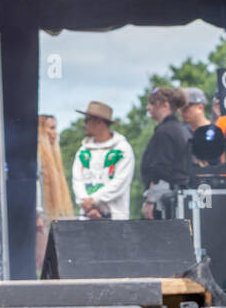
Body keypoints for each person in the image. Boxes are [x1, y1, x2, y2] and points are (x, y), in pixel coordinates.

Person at [70, 101, 135, 221]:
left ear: (99, 121)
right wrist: (87, 205)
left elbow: (120, 181)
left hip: (114, 217)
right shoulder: (83, 150)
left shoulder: (122, 149)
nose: (84, 125)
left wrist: (94, 200)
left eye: (86, 120)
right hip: (87, 216)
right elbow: (77, 180)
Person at [140, 87, 191, 219]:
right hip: (178, 198)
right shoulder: (182, 131)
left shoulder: (164, 133)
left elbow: (159, 171)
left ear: (165, 105)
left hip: (165, 202)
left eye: (152, 103)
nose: (148, 107)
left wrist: (151, 201)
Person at [36, 114, 74, 273]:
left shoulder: (54, 158)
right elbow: (36, 185)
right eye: (51, 128)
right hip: (39, 219)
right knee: (40, 261)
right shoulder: (37, 155)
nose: (55, 133)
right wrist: (37, 214)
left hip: (46, 218)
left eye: (55, 128)